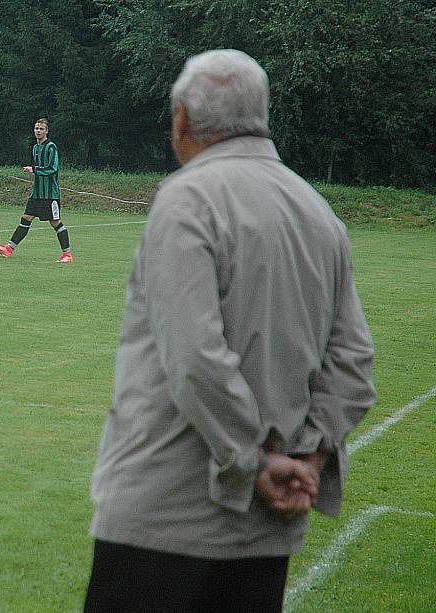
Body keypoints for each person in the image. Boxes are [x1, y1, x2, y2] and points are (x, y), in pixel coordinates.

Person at [84, 49, 375, 612]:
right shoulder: (319, 213)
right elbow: (354, 363)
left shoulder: (187, 199)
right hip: (266, 531)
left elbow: (195, 358)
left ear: (183, 119)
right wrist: (307, 459)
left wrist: (254, 462)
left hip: (165, 519)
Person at [0, 118, 73, 263]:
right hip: (37, 193)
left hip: (49, 194)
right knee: (26, 218)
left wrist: (34, 169)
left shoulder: (51, 147)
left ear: (47, 131)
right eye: (36, 128)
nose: (38, 131)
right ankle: (9, 248)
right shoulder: (35, 148)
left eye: (41, 129)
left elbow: (52, 169)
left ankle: (67, 254)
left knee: (55, 222)